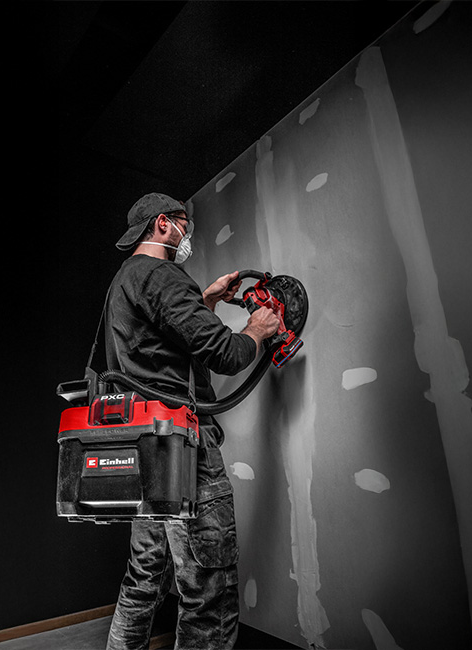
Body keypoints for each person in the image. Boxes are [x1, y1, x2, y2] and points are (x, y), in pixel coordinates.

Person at [103, 192, 279, 650]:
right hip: (183, 452)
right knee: (207, 590)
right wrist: (258, 329)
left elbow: (162, 351)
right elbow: (224, 353)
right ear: (164, 224)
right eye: (186, 226)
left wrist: (205, 302)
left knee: (143, 579)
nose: (188, 237)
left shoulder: (126, 280)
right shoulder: (163, 274)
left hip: (144, 453)